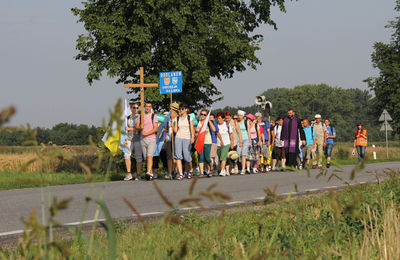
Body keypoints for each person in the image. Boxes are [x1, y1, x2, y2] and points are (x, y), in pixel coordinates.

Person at [136, 101, 158, 180]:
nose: (147, 108)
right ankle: (151, 173)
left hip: (151, 138)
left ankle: (148, 172)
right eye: (146, 106)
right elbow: (137, 126)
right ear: (144, 107)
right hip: (143, 139)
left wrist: (147, 133)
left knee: (149, 156)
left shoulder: (153, 116)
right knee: (146, 157)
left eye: (149, 106)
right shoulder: (141, 116)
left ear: (151, 107)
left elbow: (156, 128)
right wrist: (140, 127)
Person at [173, 104, 195, 180]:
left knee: (187, 156)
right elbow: (176, 130)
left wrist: (192, 137)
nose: (180, 110)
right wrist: (172, 126)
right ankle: (181, 174)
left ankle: (191, 169)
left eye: (182, 109)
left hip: (187, 138)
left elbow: (192, 129)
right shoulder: (177, 118)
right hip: (178, 137)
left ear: (186, 109)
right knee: (178, 156)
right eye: (179, 109)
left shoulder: (189, 118)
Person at [123, 102, 143, 181]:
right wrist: (125, 139)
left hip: (138, 138)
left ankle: (138, 174)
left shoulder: (140, 117)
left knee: (138, 156)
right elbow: (124, 130)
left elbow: (141, 128)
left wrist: (130, 129)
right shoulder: (127, 118)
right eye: (134, 107)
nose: (136, 109)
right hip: (129, 138)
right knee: (126, 155)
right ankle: (129, 173)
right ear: (131, 109)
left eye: (137, 108)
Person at [196, 108, 216, 177]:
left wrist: (209, 121)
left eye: (205, 115)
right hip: (199, 142)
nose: (202, 116)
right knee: (200, 158)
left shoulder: (207, 122)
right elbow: (194, 131)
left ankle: (211, 169)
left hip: (207, 142)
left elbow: (214, 129)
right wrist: (196, 135)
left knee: (207, 158)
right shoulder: (197, 121)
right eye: (201, 114)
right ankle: (201, 173)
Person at [164, 102, 179, 179]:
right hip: (169, 139)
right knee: (169, 156)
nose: (171, 111)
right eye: (170, 109)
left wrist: (173, 127)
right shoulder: (168, 118)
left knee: (176, 156)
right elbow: (167, 129)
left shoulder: (178, 118)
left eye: (172, 110)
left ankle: (175, 171)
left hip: (176, 138)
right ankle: (170, 172)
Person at [216, 112, 234, 176]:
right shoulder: (216, 125)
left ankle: (222, 170)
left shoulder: (227, 125)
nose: (218, 120)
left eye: (220, 118)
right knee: (220, 157)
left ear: (223, 119)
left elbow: (231, 134)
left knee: (223, 156)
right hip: (218, 144)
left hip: (226, 143)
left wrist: (232, 143)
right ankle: (224, 169)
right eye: (218, 118)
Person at [235, 110, 251, 175]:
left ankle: (243, 169)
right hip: (239, 140)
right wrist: (240, 141)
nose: (239, 117)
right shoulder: (236, 123)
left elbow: (248, 132)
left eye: (240, 115)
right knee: (238, 154)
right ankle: (237, 167)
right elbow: (237, 132)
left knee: (243, 155)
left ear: (243, 116)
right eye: (238, 115)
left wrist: (250, 141)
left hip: (246, 139)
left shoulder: (246, 122)